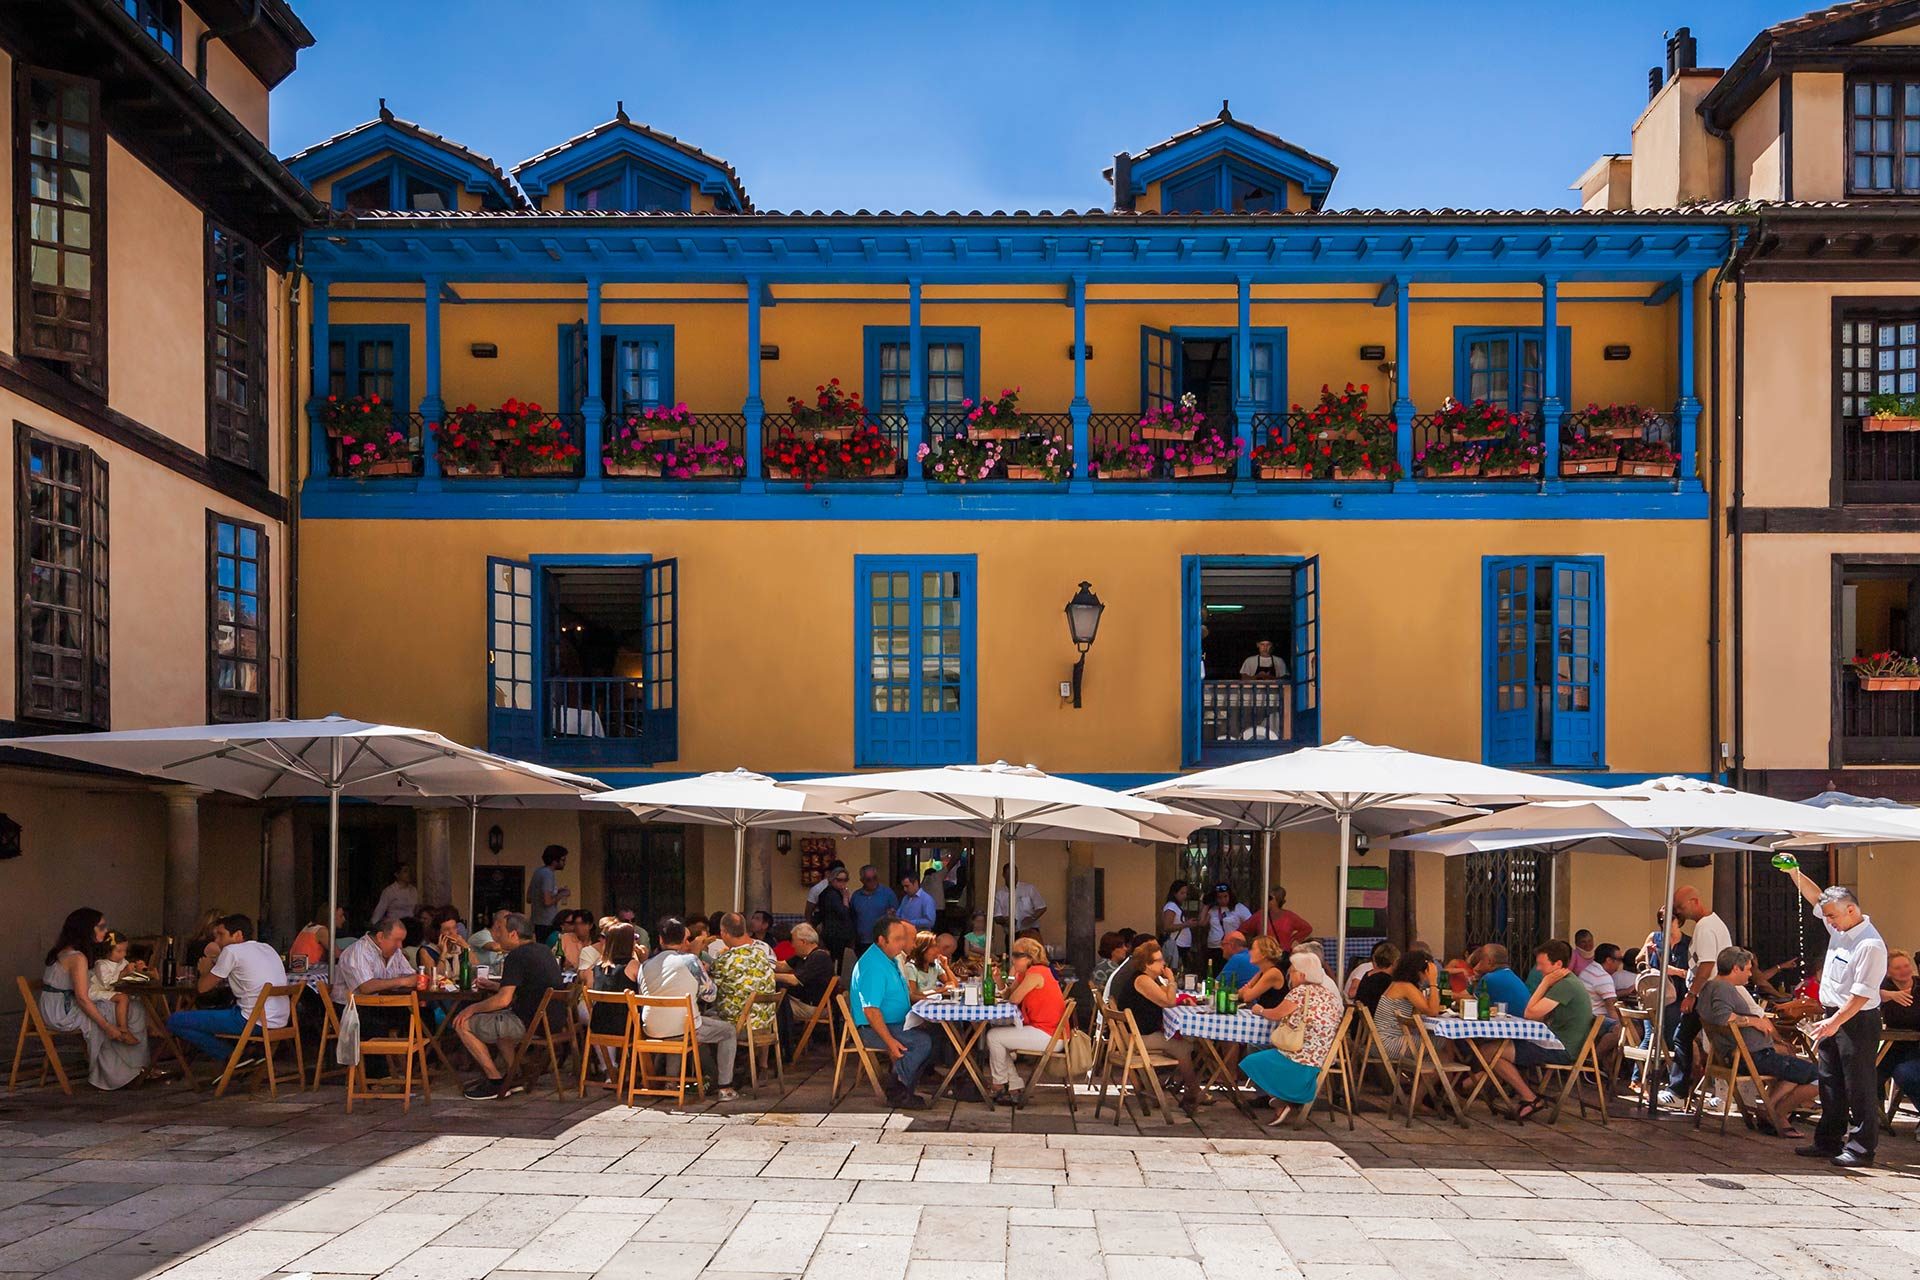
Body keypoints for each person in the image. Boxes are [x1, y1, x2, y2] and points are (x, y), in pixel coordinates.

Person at [1779, 868, 1887, 1168]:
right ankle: (1828, 1141)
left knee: (1858, 1085)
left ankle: (1862, 1148)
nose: (1828, 921)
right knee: (1830, 1081)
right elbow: (1816, 896)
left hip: (1856, 1020)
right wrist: (1793, 872)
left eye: (1832, 916)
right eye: (1827, 917)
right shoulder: (1840, 928)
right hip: (1834, 1017)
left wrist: (1835, 1021)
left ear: (1851, 910)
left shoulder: (1869, 944)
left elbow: (1862, 994)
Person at [1698, 946, 1819, 1140]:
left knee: (1793, 1066)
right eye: (1747, 969)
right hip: (1749, 1057)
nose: (1750, 973)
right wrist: (1754, 1021)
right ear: (1735, 969)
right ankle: (1774, 1113)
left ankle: (1769, 1109)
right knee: (1819, 1077)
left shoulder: (1710, 986)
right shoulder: (1723, 988)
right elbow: (1723, 1018)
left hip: (1739, 1055)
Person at [450, 912, 564, 1100]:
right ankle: (514, 1076)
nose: (496, 935)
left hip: (530, 1023)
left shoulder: (516, 956)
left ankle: (495, 1080)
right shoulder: (543, 950)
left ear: (513, 934)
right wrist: (496, 986)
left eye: (500, 930)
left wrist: (472, 1008)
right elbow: (529, 988)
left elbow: (503, 1000)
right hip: (553, 1021)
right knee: (503, 1031)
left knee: (462, 1023)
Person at [1485, 939, 1594, 1123]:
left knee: (1489, 1051)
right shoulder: (1567, 983)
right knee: (1493, 1049)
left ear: (1557, 964)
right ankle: (1476, 1086)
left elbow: (1530, 1013)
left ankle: (1530, 1098)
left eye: (1541, 964)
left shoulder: (1566, 985)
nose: (1538, 969)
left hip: (1562, 1049)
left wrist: (1545, 983)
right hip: (1554, 1042)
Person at [40, 909, 149, 1089]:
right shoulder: (77, 957)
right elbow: (82, 999)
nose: (105, 931)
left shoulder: (72, 951)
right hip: (61, 1011)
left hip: (58, 1005)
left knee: (133, 1007)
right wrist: (107, 1027)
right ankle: (114, 1075)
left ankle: (131, 1068)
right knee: (109, 1014)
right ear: (86, 929)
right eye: (101, 927)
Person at [636, 917, 739, 1101]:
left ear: (660, 939)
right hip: (684, 1027)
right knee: (728, 1031)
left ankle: (671, 1082)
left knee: (676, 1030)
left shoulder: (645, 965)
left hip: (651, 1027)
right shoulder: (690, 961)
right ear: (685, 940)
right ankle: (725, 1087)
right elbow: (711, 995)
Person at [168, 915, 289, 1065]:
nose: (216, 941)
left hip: (251, 1021)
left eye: (221, 935)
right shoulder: (267, 948)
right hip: (279, 1020)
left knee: (175, 1020)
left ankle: (231, 1057)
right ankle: (243, 1054)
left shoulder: (232, 951)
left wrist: (205, 971)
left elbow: (202, 988)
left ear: (238, 935)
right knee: (223, 1009)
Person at [1240, 949, 1343, 1126]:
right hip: (1320, 1058)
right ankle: (1281, 1100)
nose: (1289, 975)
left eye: (1292, 971)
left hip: (1299, 1058)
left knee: (1251, 1060)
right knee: (1262, 1051)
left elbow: (1276, 1014)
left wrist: (1259, 1010)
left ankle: (1280, 1102)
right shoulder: (1329, 994)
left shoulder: (1301, 991)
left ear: (1302, 974)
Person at [847, 914, 933, 1108]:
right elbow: (871, 1011)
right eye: (897, 939)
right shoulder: (874, 966)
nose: (902, 943)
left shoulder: (887, 958)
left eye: (903, 938)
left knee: (935, 1033)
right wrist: (890, 1042)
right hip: (872, 1030)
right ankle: (897, 1089)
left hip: (894, 1022)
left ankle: (905, 1086)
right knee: (921, 1042)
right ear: (881, 940)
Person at [1114, 938, 1203, 1112]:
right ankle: (1193, 1092)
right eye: (1159, 960)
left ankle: (1189, 1089)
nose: (1164, 963)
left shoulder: (1147, 979)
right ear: (1147, 964)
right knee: (1183, 1045)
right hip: (1138, 1038)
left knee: (1185, 1041)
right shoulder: (1142, 980)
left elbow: (1163, 997)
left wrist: (1179, 999)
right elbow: (1168, 1002)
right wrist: (1171, 980)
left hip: (1139, 1034)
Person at [1666, 885, 1733, 1101]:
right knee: (1711, 1042)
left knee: (1683, 1037)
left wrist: (1691, 994)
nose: (1678, 911)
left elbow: (1706, 965)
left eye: (1680, 906)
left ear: (1695, 901)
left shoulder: (1705, 927)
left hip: (1705, 993)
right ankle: (1719, 1092)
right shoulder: (1714, 923)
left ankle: (1678, 1091)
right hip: (1712, 992)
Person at [331, 917, 418, 1076]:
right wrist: (401, 981)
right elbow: (366, 987)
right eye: (397, 940)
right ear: (380, 937)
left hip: (381, 1004)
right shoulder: (358, 952)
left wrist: (411, 979)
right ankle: (378, 1077)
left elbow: (411, 976)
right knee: (377, 1025)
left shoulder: (395, 952)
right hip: (351, 1010)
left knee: (422, 1017)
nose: (400, 946)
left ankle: (414, 1070)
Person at [985, 937, 1067, 1104]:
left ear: (1030, 957)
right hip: (1041, 1029)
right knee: (997, 1038)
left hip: (1049, 1035)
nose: (1013, 959)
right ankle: (1013, 1085)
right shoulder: (1027, 974)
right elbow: (1008, 995)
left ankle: (999, 1084)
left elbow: (1014, 999)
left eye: (1017, 955)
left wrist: (1015, 973)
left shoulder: (1036, 973)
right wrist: (999, 981)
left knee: (994, 1037)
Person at [713, 911, 778, 1040]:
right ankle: (762, 1061)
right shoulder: (762, 954)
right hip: (765, 1024)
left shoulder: (725, 959)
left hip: (739, 1026)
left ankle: (720, 1061)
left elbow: (710, 993)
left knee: (698, 1023)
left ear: (724, 933)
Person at [1372, 950, 1445, 1065]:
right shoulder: (1405, 987)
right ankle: (1444, 1079)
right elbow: (1433, 1011)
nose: (1427, 976)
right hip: (1389, 1044)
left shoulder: (1398, 984)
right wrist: (1433, 982)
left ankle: (1424, 1078)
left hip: (1379, 1042)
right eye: (1427, 972)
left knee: (1434, 1042)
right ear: (1418, 971)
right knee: (1446, 1040)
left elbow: (1423, 1009)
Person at [775, 922, 835, 1051]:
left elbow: (795, 980)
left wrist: (770, 977)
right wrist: (761, 961)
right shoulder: (803, 957)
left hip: (813, 1007)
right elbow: (782, 966)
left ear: (803, 942)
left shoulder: (819, 957)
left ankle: (781, 1048)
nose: (791, 945)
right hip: (804, 1001)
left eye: (793, 941)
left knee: (774, 1004)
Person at [87, 932, 136, 1039]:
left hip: (115, 990)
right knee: (122, 998)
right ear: (107, 951)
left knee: (138, 997)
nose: (123, 954)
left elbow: (130, 975)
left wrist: (136, 969)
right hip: (99, 991)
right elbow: (107, 984)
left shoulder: (123, 961)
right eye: (119, 951)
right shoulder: (102, 965)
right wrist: (123, 973)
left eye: (125, 951)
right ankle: (123, 1028)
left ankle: (151, 1026)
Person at [1200, 884, 1252, 971]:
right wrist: (1207, 905)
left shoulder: (1238, 908)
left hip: (1230, 947)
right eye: (1219, 897)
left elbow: (1250, 923)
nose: (1223, 900)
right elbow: (1202, 923)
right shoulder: (1213, 910)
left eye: (1225, 896)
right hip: (1214, 947)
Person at [1244, 887, 1314, 952]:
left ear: (1276, 900)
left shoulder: (1289, 917)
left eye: (1269, 898)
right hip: (1264, 953)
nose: (1266, 901)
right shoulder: (1260, 915)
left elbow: (1307, 928)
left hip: (1282, 954)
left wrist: (1293, 940)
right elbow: (1243, 929)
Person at [1472, 943, 1532, 1015]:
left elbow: (1471, 1003)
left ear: (1489, 961)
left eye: (1481, 959)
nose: (1479, 963)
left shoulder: (1489, 978)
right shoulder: (1511, 976)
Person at [812, 866, 855, 965]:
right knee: (838, 962)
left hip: (836, 934)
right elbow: (844, 913)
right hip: (836, 935)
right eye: (839, 880)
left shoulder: (833, 893)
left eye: (845, 880)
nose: (843, 883)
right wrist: (845, 898)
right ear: (832, 879)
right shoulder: (832, 894)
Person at [528, 845, 571, 944]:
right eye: (563, 860)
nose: (564, 863)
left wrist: (556, 892)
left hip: (537, 920)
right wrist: (562, 894)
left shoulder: (538, 872)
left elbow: (529, 897)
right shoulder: (548, 875)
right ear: (555, 861)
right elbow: (547, 901)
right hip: (547, 922)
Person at [1236, 936, 1290, 1011]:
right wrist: (1247, 989)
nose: (1250, 952)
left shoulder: (1273, 973)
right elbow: (1239, 994)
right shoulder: (1263, 971)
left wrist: (1247, 989)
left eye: (1253, 949)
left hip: (1270, 1017)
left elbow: (1247, 997)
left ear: (1264, 953)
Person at [992, 867, 1047, 936]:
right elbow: (997, 917)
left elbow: (1042, 907)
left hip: (1030, 932)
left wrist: (1032, 918)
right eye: (1009, 874)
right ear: (1004, 875)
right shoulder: (999, 894)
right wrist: (1006, 921)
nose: (1012, 877)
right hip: (1012, 934)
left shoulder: (1028, 888)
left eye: (1015, 874)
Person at [370, 864, 421, 929]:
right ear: (397, 874)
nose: (409, 874)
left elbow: (415, 908)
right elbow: (381, 908)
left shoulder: (413, 890)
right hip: (395, 926)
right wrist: (373, 924)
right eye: (405, 871)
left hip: (410, 926)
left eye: (409, 871)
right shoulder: (390, 891)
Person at [1160, 880, 1194, 973]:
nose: (1184, 896)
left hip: (1183, 945)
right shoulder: (1171, 906)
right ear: (1174, 893)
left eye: (1186, 893)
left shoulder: (1177, 906)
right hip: (1177, 945)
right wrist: (1186, 924)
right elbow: (1167, 926)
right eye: (1182, 893)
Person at [1091, 932, 1129, 1000]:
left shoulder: (1102, 963)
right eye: (1121, 946)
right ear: (1112, 949)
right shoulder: (1111, 968)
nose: (1125, 949)